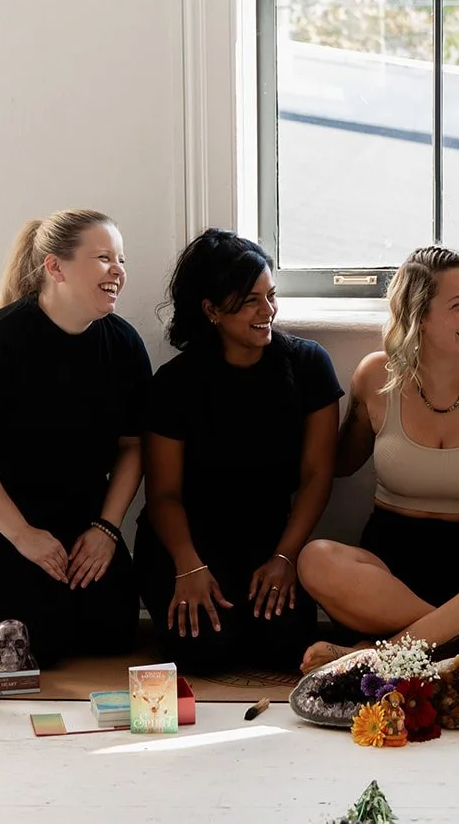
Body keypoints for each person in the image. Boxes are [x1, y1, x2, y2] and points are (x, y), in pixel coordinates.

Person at [296, 247, 459, 673]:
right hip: (387, 575)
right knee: (314, 558)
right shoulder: (375, 375)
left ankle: (372, 658)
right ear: (418, 315)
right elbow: (341, 464)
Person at [0, 209, 150, 667]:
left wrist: (106, 529)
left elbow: (133, 447)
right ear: (55, 267)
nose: (117, 271)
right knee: (37, 645)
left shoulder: (124, 345)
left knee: (115, 632)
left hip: (75, 516)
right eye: (103, 258)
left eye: (121, 260)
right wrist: (23, 536)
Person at [134, 230, 341, 672]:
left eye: (271, 296)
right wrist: (188, 566)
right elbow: (163, 495)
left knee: (287, 648)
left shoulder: (309, 365)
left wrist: (285, 557)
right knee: (205, 651)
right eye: (250, 301)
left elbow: (317, 476)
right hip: (187, 540)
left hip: (270, 539)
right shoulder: (174, 384)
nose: (268, 311)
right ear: (211, 310)